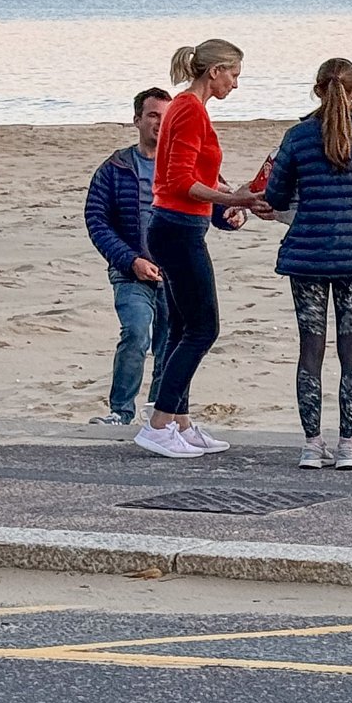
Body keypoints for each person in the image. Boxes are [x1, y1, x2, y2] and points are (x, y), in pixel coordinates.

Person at [264, 59, 352, 471]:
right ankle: (348, 445)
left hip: (308, 250)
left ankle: (311, 443)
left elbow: (277, 192)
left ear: (317, 90)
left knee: (311, 349)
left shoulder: (299, 136)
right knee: (351, 350)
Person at [135, 39, 263, 459]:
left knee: (183, 326)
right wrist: (234, 200)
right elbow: (177, 182)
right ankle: (158, 423)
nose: (236, 84)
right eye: (234, 75)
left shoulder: (189, 109)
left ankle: (179, 421)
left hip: (178, 225)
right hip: (176, 227)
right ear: (215, 71)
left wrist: (226, 193)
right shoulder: (189, 110)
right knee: (204, 328)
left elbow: (191, 172)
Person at [84, 88, 239, 425]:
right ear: (137, 119)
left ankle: (162, 410)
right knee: (136, 334)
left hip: (174, 268)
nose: (160, 122)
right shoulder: (115, 167)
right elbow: (97, 221)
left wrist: (230, 214)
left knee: (175, 339)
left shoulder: (188, 159)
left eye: (166, 116)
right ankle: (121, 411)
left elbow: (209, 202)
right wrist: (130, 261)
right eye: (153, 115)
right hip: (132, 271)